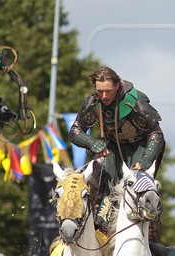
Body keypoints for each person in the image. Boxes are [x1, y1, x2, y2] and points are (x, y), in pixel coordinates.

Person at [69, 66, 165, 228]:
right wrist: (93, 143)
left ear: (117, 86)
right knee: (99, 178)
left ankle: (150, 231)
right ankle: (99, 223)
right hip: (113, 146)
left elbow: (157, 135)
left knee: (139, 186)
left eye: (108, 91)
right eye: (100, 91)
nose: (104, 96)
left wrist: (145, 161)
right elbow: (75, 131)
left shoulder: (135, 103)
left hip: (140, 146)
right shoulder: (93, 103)